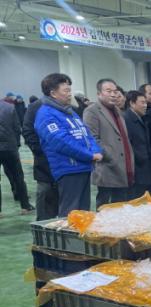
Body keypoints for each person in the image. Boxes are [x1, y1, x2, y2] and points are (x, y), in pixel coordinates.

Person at [34, 73, 102, 216]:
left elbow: (86, 134)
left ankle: (81, 232)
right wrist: (90, 155)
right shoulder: (46, 115)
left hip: (83, 166)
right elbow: (62, 142)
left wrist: (96, 150)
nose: (70, 94)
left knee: (83, 212)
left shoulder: (69, 112)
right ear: (53, 93)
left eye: (70, 90)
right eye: (66, 90)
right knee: (71, 213)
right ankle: (69, 232)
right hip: (68, 169)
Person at [83, 78, 134, 209]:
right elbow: (91, 139)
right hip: (106, 167)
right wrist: (110, 155)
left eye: (115, 91)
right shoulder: (92, 111)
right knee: (105, 207)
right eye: (108, 91)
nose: (113, 94)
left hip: (123, 165)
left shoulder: (117, 111)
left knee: (120, 206)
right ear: (99, 93)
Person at [23, 96, 58, 220]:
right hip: (44, 162)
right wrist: (40, 150)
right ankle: (42, 226)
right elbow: (27, 131)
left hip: (66, 162)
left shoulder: (67, 106)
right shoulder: (36, 106)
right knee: (45, 191)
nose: (68, 93)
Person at [0, 99, 34, 214]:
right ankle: (25, 206)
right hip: (10, 147)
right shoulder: (9, 107)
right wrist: (16, 145)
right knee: (18, 177)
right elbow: (17, 128)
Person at [123, 91, 151, 199]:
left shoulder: (141, 118)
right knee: (137, 199)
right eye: (142, 102)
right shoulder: (126, 120)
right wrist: (140, 158)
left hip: (145, 167)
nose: (145, 105)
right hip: (137, 169)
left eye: (146, 102)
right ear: (132, 103)